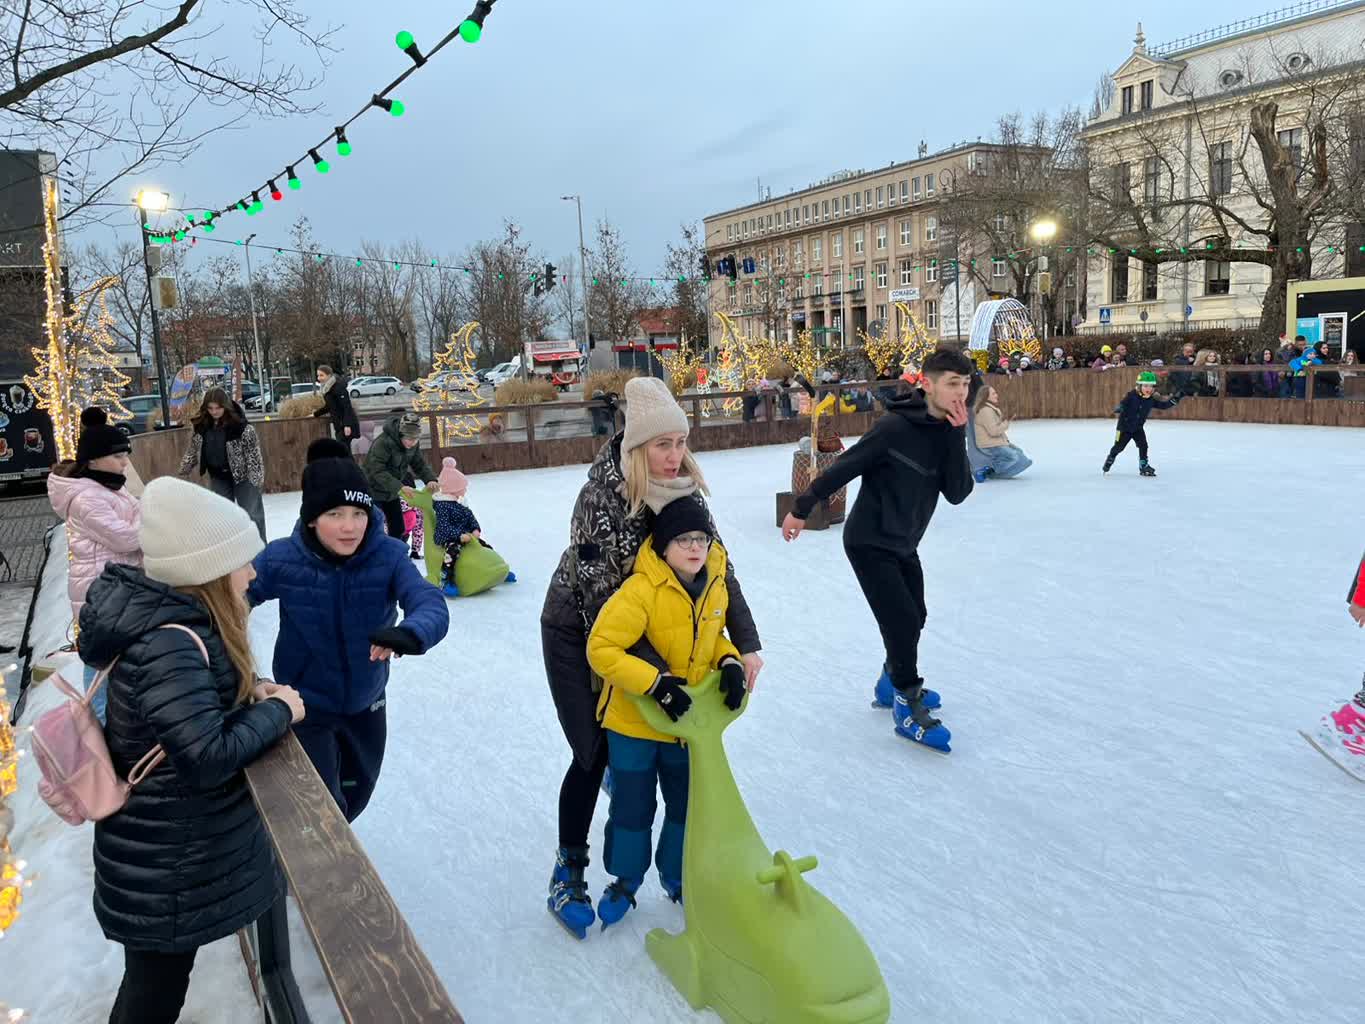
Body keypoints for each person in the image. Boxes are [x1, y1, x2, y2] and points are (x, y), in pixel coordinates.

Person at [78, 477, 306, 1024]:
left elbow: (187, 715)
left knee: (154, 985)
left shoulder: (174, 624)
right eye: (242, 562)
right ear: (208, 568)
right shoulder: (170, 640)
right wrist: (280, 711)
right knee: (153, 994)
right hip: (165, 860)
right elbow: (204, 753)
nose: (252, 574)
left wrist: (251, 691)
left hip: (161, 850)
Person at [541, 375, 762, 938]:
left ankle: (676, 859)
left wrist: (743, 647)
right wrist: (661, 680)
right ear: (635, 446)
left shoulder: (686, 492)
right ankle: (568, 869)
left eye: (680, 442)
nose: (674, 456)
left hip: (656, 635)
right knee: (592, 750)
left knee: (668, 741)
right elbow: (601, 605)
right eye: (662, 445)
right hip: (579, 630)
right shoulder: (599, 499)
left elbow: (719, 572)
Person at [780, 348, 975, 753]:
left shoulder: (948, 432)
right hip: (869, 540)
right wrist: (801, 507)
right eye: (952, 384)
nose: (961, 392)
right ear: (928, 384)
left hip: (904, 542)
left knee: (915, 616)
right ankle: (906, 701)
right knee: (902, 620)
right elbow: (844, 467)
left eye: (966, 384)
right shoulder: (894, 429)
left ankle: (890, 681)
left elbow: (958, 493)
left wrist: (957, 436)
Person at [247, 438, 450, 822]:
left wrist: (412, 631)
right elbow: (230, 601)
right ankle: (316, 875)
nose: (349, 526)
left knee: (355, 796)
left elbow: (428, 600)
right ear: (312, 518)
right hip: (305, 707)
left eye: (358, 513)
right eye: (335, 514)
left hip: (366, 703)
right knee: (322, 809)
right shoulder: (282, 559)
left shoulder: (388, 554)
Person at [585, 499, 747, 928]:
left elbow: (711, 639)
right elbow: (601, 648)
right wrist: (654, 683)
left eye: (701, 539)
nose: (695, 548)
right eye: (683, 540)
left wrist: (729, 661)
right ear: (663, 546)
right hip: (634, 726)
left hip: (685, 727)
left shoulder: (714, 584)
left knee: (685, 808)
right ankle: (625, 880)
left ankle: (677, 876)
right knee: (633, 808)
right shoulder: (641, 590)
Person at [47, 408, 142, 723]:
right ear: (95, 459)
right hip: (100, 595)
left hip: (116, 589)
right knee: (100, 666)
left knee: (112, 663)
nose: (124, 461)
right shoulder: (88, 498)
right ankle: (100, 730)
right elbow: (127, 538)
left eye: (125, 454)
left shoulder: (110, 485)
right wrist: (153, 519)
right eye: (117, 456)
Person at [177, 388, 267, 541]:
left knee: (252, 515)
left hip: (243, 477)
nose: (214, 412)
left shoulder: (241, 427)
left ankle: (260, 552)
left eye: (218, 408)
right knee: (222, 517)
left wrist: (255, 479)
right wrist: (184, 469)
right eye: (210, 408)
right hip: (218, 476)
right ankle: (229, 552)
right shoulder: (202, 426)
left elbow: (253, 455)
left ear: (225, 406)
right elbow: (193, 449)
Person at [363, 412, 440, 540]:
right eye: (409, 439)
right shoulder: (383, 443)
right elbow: (377, 470)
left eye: (416, 439)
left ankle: (396, 555)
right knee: (373, 528)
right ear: (400, 435)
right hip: (372, 490)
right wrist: (399, 487)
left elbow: (419, 464)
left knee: (398, 528)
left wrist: (431, 479)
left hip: (391, 492)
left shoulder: (412, 445)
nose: (413, 443)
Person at [1103, 370, 1180, 477]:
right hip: (1124, 428)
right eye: (1145, 386)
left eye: (1151, 386)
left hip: (1138, 428)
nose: (1148, 389)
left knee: (1143, 445)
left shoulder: (1150, 399)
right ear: (1139, 386)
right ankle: (1111, 458)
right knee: (1119, 447)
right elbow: (1124, 403)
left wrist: (1175, 399)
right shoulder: (1131, 395)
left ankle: (1143, 465)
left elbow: (1163, 406)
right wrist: (1120, 407)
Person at [971, 385, 1032, 480]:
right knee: (1014, 457)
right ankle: (991, 470)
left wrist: (1005, 421)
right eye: (993, 393)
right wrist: (1006, 422)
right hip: (990, 445)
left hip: (997, 442)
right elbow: (994, 431)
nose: (996, 395)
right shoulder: (985, 411)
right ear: (986, 396)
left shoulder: (991, 409)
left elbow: (996, 427)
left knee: (1020, 455)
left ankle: (997, 470)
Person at [313, 364, 361, 453]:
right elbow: (329, 406)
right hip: (339, 426)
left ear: (329, 375)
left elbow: (347, 407)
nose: (319, 378)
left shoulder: (338, 387)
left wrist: (347, 425)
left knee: (343, 452)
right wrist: (315, 414)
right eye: (318, 375)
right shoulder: (328, 388)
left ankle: (349, 467)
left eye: (321, 375)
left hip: (345, 426)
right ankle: (349, 466)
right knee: (344, 453)